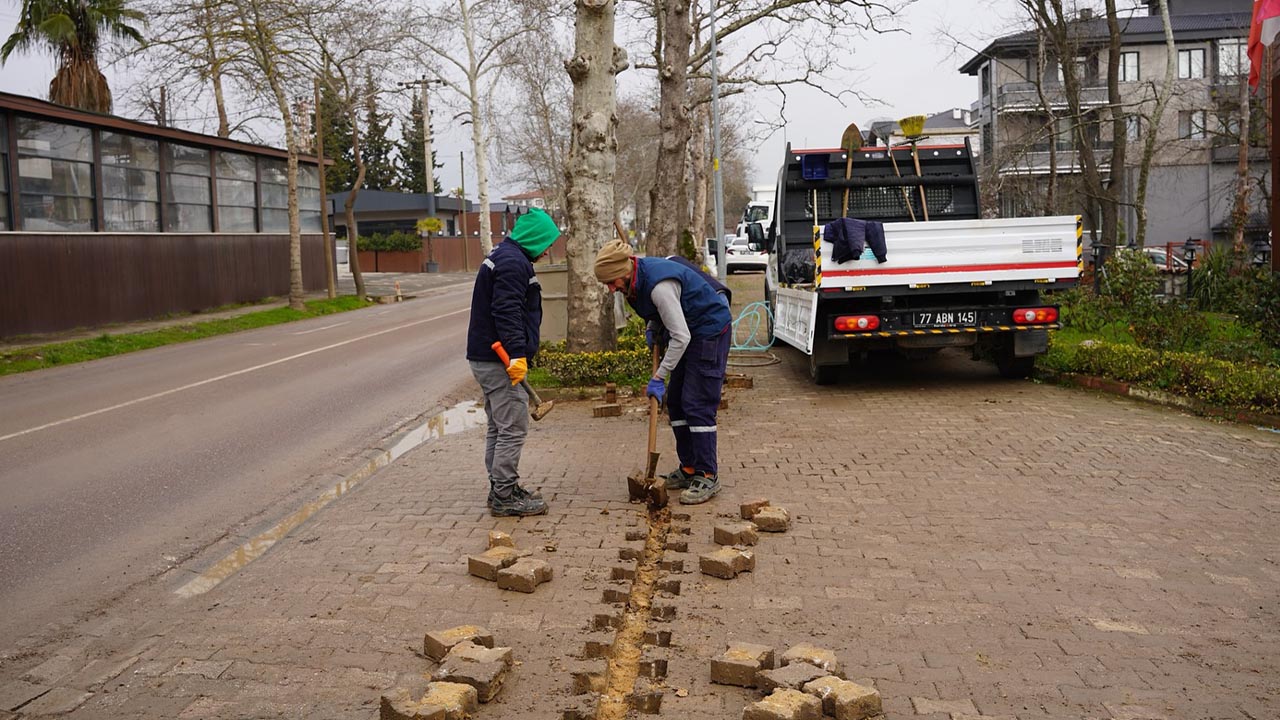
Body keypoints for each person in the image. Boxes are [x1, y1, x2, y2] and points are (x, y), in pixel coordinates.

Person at [594, 239, 733, 504]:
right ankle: (689, 468)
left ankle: (707, 474)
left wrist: (659, 376)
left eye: (612, 282)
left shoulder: (660, 287)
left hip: (709, 331)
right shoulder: (636, 278)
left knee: (698, 402)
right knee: (677, 402)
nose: (611, 289)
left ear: (624, 271)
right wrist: (652, 326)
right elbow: (659, 314)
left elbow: (681, 337)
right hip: (688, 331)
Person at [466, 208, 560, 516]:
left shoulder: (508, 257)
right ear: (534, 238)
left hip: (487, 358)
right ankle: (505, 496)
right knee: (513, 427)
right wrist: (518, 355)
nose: (548, 251)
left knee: (499, 426)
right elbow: (507, 312)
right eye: (547, 243)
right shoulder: (512, 263)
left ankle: (500, 488)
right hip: (500, 360)